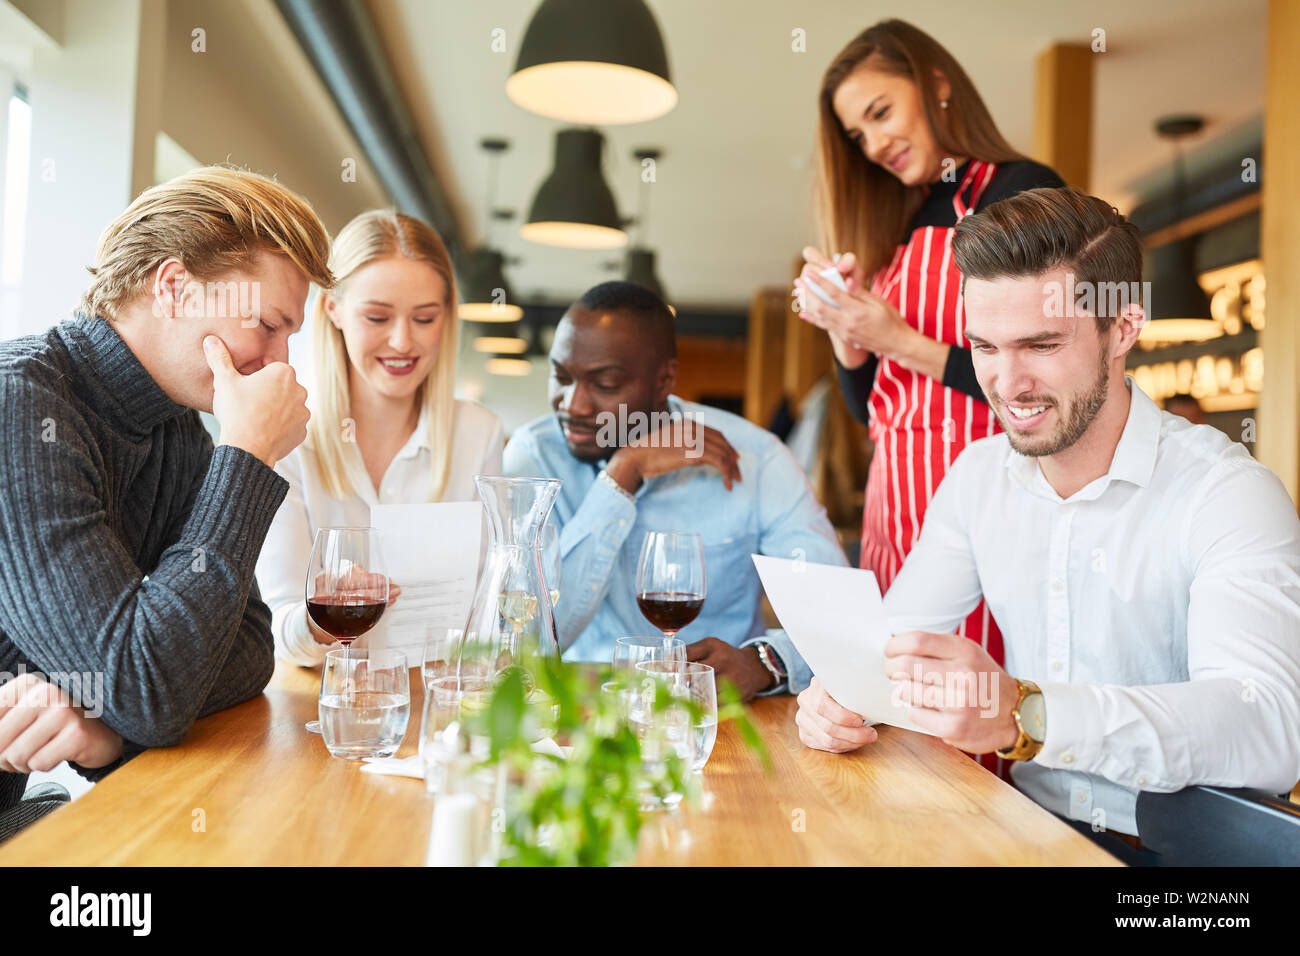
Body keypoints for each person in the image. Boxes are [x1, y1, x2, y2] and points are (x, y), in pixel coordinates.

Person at [795, 186, 1300, 861]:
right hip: (1026, 834)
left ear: (1123, 328)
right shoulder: (978, 476)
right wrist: (840, 695)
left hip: (1180, 862)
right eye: (984, 346)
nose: (1006, 383)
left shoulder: (1227, 493)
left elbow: (1264, 729)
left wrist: (1029, 715)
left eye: (1040, 344)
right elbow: (896, 646)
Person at [0, 166, 332, 838]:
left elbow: (247, 647)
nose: (279, 364)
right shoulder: (20, 403)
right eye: (267, 325)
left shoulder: (177, 431)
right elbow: (148, 684)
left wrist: (106, 728)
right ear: (174, 287)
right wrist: (246, 455)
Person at [796, 19, 1065, 676]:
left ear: (937, 84)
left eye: (881, 112)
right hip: (897, 504)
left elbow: (1039, 381)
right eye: (858, 135)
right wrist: (847, 331)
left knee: (969, 711)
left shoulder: (1022, 191)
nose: (874, 143)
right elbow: (872, 414)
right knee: (895, 704)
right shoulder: (903, 220)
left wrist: (899, 338)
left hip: (993, 501)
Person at [503, 281, 847, 700]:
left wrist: (763, 662)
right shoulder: (532, 459)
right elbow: (528, 640)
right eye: (560, 377)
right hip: (577, 715)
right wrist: (622, 473)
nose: (573, 405)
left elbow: (838, 616)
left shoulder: (758, 458)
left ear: (664, 379)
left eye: (605, 384)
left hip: (724, 720)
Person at [256, 211, 503, 667]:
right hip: (316, 707)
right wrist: (319, 620)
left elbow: (488, 610)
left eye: (425, 318)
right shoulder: (289, 435)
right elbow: (279, 632)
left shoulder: (478, 434)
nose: (402, 341)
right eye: (377, 316)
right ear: (333, 309)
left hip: (434, 703)